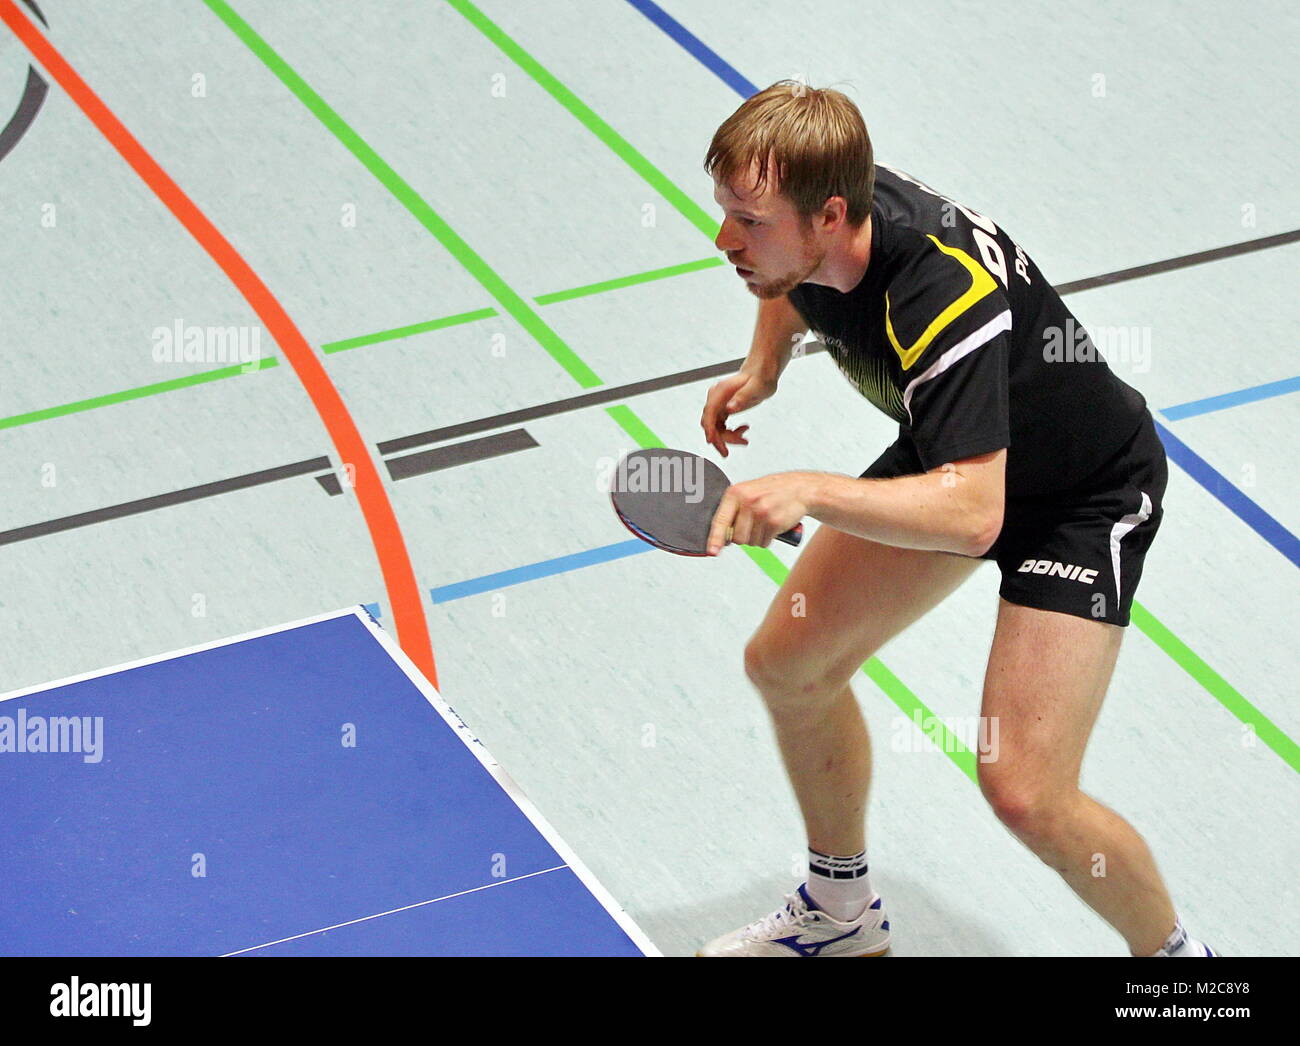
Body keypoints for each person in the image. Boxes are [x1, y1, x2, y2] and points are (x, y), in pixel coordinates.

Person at [696, 80, 1216, 958]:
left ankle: (1186, 977)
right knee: (788, 665)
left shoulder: (938, 291)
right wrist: (765, 367)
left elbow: (975, 515)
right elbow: (787, 281)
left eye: (749, 221)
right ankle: (841, 911)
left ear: (830, 214)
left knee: (1026, 792)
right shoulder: (816, 231)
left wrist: (810, 490)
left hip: (1079, 495)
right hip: (964, 451)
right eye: (725, 213)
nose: (726, 241)